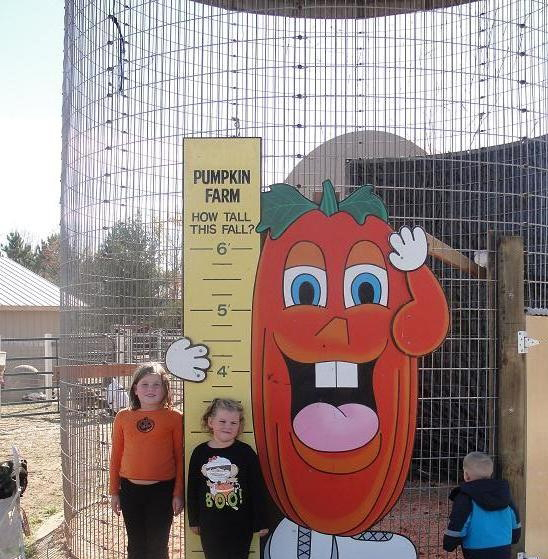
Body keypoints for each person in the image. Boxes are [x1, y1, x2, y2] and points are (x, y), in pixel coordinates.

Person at [109, 363, 183, 559]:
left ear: (166, 388)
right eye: (145, 384)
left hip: (162, 491)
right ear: (135, 388)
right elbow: (116, 455)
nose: (151, 389)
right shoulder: (123, 417)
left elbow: (180, 457)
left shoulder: (175, 418)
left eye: (156, 384)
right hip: (130, 491)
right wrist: (114, 491)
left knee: (158, 547)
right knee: (136, 547)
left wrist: (178, 493)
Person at [187, 398, 269, 559]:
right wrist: (194, 520)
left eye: (233, 423)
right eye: (222, 421)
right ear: (211, 422)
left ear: (239, 425)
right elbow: (192, 489)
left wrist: (261, 522)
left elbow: (257, 489)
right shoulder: (199, 453)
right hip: (210, 524)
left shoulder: (246, 453)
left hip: (240, 524)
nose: (228, 426)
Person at [443, 451, 521, 559]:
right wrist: (514, 538)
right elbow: (515, 520)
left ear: (466, 475)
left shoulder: (465, 497)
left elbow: (458, 522)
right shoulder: (503, 494)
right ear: (491, 473)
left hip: (475, 551)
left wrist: (449, 543)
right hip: (503, 549)